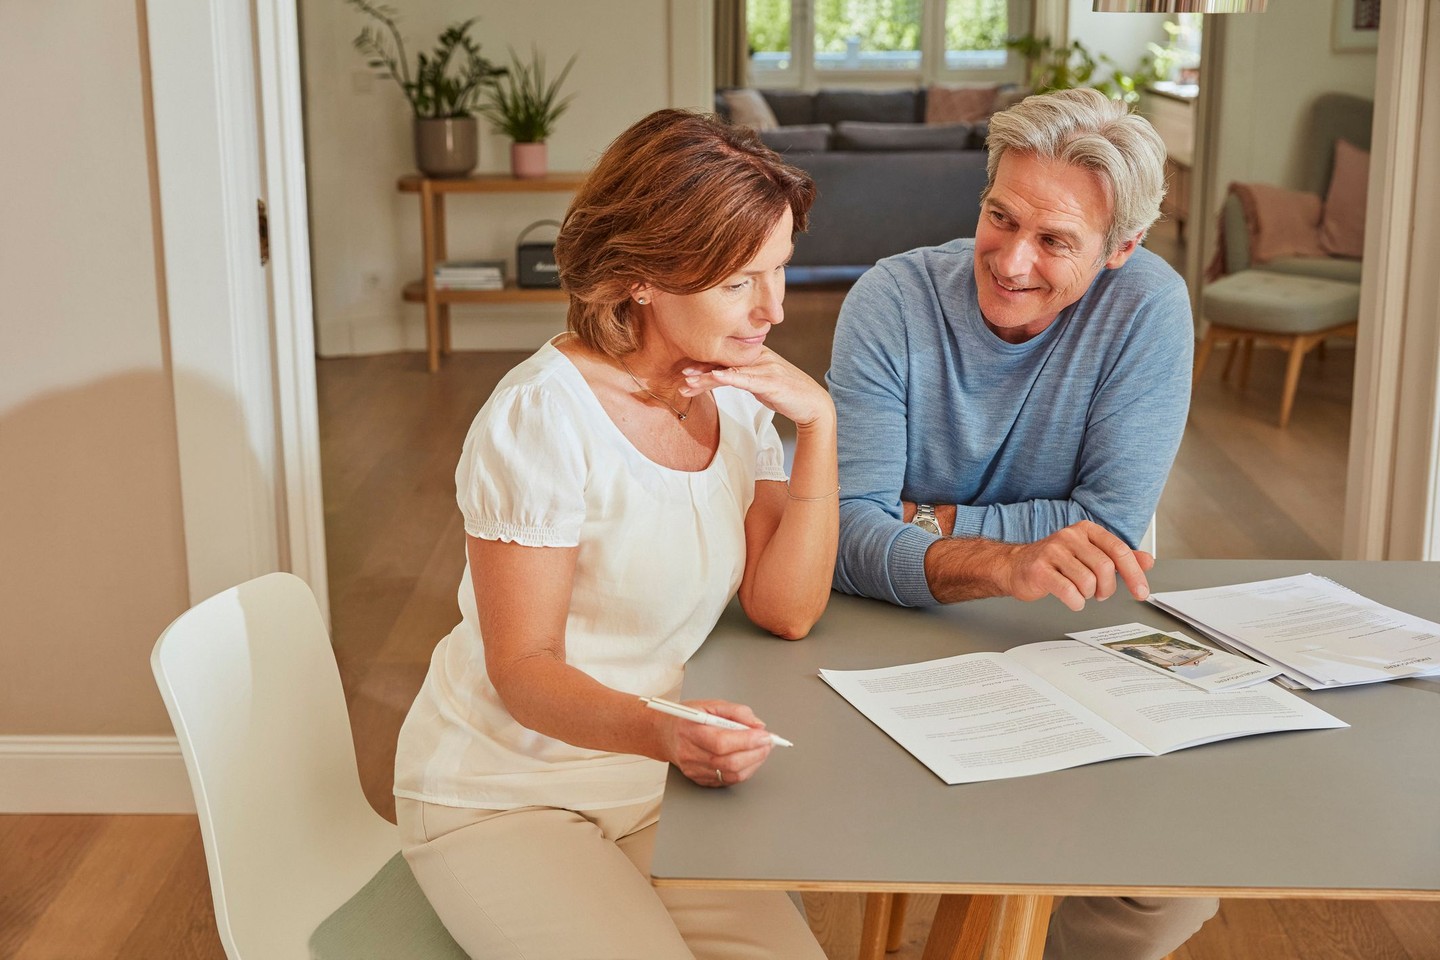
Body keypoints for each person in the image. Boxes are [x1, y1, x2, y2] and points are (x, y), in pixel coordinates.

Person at [391, 109, 838, 960]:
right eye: (740, 282)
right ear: (644, 277)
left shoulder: (737, 396)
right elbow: (523, 671)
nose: (774, 310)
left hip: (652, 783)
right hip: (505, 791)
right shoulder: (540, 418)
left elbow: (786, 609)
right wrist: (665, 731)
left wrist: (819, 428)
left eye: (780, 271)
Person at [827, 88, 1214, 959]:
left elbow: (1107, 528)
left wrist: (921, 516)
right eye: (999, 218)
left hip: (1073, 631)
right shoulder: (892, 301)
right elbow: (846, 530)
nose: (1011, 260)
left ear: (1123, 248)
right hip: (892, 631)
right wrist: (1010, 560)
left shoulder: (1149, 306)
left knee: (1168, 885)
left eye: (1055, 241)